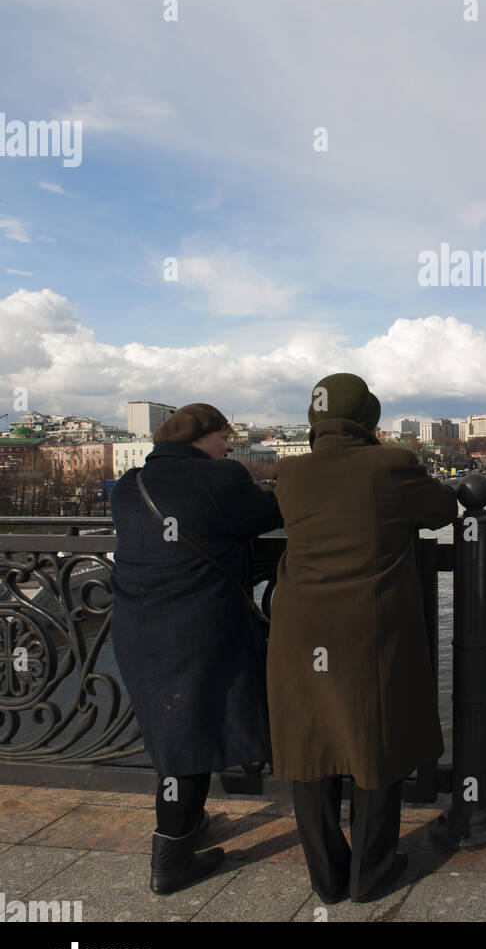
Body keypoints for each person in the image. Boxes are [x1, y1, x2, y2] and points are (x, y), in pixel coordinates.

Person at [267, 373, 458, 904]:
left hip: (297, 626)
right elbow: (442, 511)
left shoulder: (289, 472)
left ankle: (326, 878)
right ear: (369, 419)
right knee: (373, 738)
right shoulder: (389, 465)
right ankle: (371, 874)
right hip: (366, 628)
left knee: (310, 745)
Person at [110, 403, 283, 894]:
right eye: (223, 436)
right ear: (200, 438)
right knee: (190, 737)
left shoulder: (130, 484)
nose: (230, 445)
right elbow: (272, 512)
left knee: (172, 732)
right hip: (197, 629)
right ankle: (171, 858)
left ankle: (188, 823)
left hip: (137, 629)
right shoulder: (221, 478)